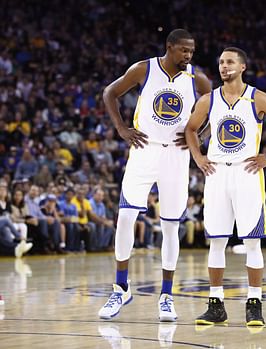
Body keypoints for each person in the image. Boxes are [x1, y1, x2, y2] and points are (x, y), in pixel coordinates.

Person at [98, 29, 211, 321]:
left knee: (171, 226)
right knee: (125, 217)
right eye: (183, 50)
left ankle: (166, 295)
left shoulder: (197, 79)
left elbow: (219, 109)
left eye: (192, 51)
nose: (188, 55)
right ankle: (121, 287)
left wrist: (200, 136)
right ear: (169, 47)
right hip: (144, 149)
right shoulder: (143, 69)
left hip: (176, 155)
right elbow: (109, 92)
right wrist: (122, 129)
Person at [185, 47, 266, 327]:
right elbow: (190, 129)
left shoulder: (257, 98)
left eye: (230, 62)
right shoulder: (208, 100)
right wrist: (198, 157)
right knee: (217, 241)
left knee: (251, 242)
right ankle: (216, 305)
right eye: (221, 62)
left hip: (247, 173)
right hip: (216, 175)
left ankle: (254, 303)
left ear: (243, 67)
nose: (224, 66)